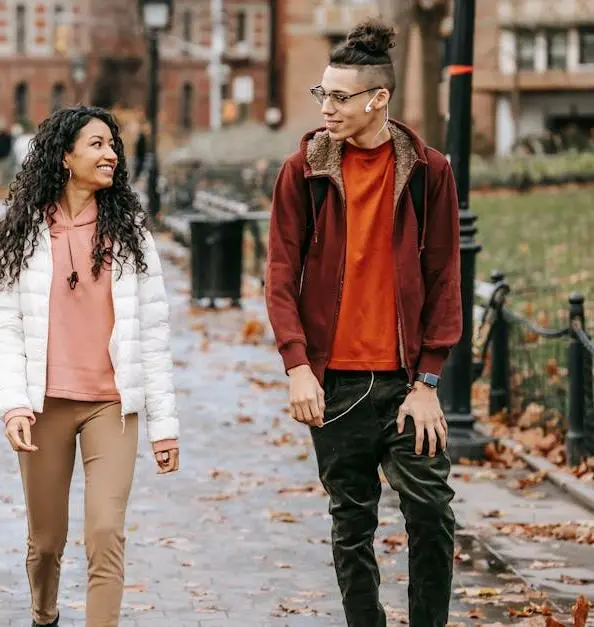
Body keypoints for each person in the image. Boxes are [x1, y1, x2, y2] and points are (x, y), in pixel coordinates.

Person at [264, 19, 461, 627]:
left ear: (379, 99)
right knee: (352, 526)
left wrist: (428, 382)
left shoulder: (428, 171)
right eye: (321, 94)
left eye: (339, 96)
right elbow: (279, 277)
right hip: (337, 386)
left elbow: (446, 281)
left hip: (405, 385)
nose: (327, 107)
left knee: (431, 511)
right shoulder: (304, 171)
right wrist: (298, 367)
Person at [0, 105, 180, 627]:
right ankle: (44, 615)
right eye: (97, 144)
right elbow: (3, 328)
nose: (111, 153)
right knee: (46, 542)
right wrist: (13, 405)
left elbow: (153, 333)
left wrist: (164, 426)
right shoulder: (23, 232)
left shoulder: (131, 233)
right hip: (44, 405)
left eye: (113, 144)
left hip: (113, 406)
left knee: (105, 533)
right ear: (65, 156)